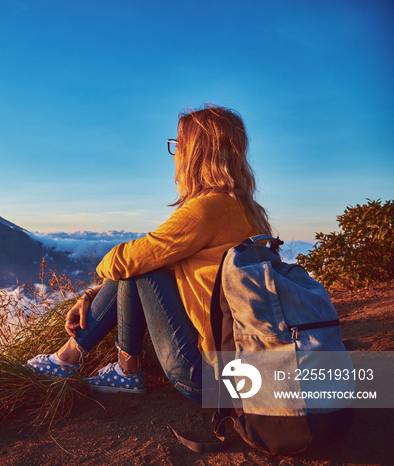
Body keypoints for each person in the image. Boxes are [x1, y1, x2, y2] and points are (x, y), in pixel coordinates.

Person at [26, 105, 272, 403]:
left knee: (140, 266)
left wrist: (101, 275)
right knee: (144, 265)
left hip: (208, 379)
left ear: (195, 152)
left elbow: (125, 261)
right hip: (241, 368)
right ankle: (90, 364)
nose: (176, 154)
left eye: (179, 145)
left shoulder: (207, 210)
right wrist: (90, 296)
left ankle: (82, 363)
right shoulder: (249, 213)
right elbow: (167, 267)